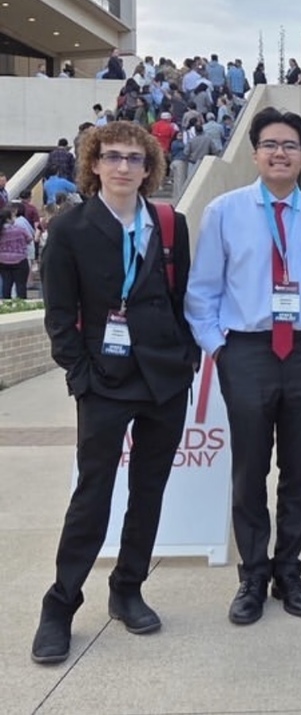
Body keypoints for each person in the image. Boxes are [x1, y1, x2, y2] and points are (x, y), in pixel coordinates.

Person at [30, 121, 197, 665]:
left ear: (149, 168)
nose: (123, 167)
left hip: (164, 380)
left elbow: (180, 301)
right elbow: (59, 317)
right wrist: (81, 377)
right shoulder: (70, 229)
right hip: (105, 383)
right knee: (92, 496)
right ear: (93, 165)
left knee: (149, 492)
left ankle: (127, 588)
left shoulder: (170, 224)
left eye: (134, 158)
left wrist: (187, 361)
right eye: (112, 157)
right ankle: (60, 604)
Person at [185, 107, 301, 626]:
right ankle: (253, 574)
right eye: (271, 144)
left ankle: (289, 570)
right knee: (250, 470)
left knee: (300, 470)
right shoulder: (225, 212)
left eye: (291, 145)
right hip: (248, 352)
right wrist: (218, 348)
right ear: (255, 153)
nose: (281, 153)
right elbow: (203, 290)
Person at [0, 206, 33, 298]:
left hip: (3, 261)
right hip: (20, 260)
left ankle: (5, 305)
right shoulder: (19, 229)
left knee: (6, 284)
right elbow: (29, 239)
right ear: (8, 218)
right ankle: (21, 306)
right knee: (21, 285)